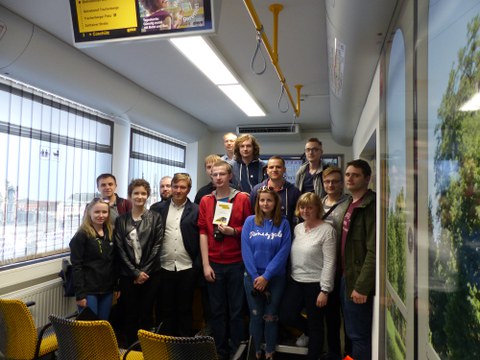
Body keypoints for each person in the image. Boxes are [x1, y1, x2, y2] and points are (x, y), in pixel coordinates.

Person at [198, 160, 251, 360]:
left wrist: (233, 231)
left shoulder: (242, 199)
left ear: (230, 176)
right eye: (214, 174)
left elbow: (249, 230)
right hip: (213, 265)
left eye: (222, 174)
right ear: (211, 177)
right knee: (217, 312)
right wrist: (205, 264)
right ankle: (219, 352)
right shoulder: (205, 201)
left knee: (236, 312)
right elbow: (203, 232)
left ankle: (237, 351)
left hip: (236, 263)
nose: (218, 178)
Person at [279, 192, 336, 360]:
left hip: (316, 284)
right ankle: (308, 332)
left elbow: (330, 262)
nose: (305, 210)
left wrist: (325, 290)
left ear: (317, 208)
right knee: (285, 315)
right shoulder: (298, 228)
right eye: (302, 207)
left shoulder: (327, 230)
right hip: (296, 281)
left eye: (310, 207)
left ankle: (314, 355)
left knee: (316, 324)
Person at [242, 187, 291, 360]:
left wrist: (267, 276)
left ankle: (270, 350)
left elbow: (284, 252)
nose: (265, 203)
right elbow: (246, 251)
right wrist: (256, 277)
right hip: (252, 278)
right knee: (255, 316)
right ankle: (254, 350)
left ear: (275, 202)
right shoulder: (249, 222)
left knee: (271, 316)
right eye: (262, 200)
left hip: (275, 278)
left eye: (269, 200)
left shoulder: (283, 224)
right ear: (257, 202)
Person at [114, 179, 163, 346]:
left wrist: (143, 272)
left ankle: (146, 349)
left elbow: (157, 246)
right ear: (129, 195)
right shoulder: (121, 220)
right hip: (128, 276)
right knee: (130, 314)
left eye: (143, 193)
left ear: (148, 195)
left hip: (151, 275)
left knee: (147, 313)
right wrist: (135, 273)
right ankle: (130, 349)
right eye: (136, 193)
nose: (139, 196)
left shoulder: (156, 217)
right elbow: (120, 249)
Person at [150, 173, 200, 336]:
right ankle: (164, 345)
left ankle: (182, 345)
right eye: (175, 186)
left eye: (183, 187)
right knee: (165, 309)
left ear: (189, 189)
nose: (178, 190)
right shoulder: (157, 209)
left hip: (187, 267)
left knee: (185, 309)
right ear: (171, 187)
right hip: (163, 266)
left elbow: (201, 239)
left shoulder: (196, 210)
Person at [340, 159, 376, 360]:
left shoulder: (370, 206)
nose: (350, 178)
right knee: (350, 332)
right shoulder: (350, 202)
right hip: (346, 278)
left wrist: (362, 286)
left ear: (367, 179)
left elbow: (374, 251)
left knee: (359, 335)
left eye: (355, 175)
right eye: (348, 174)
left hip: (358, 282)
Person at [69, 198, 116, 320]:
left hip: (107, 289)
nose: (101, 215)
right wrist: (80, 295)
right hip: (88, 290)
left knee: (103, 324)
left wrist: (116, 286)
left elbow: (113, 261)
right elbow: (76, 266)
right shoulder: (81, 235)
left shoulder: (110, 233)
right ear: (89, 213)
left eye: (104, 212)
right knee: (89, 328)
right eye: (97, 212)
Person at [321, 166, 351, 359]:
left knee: (348, 319)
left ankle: (349, 355)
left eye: (335, 181)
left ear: (341, 183)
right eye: (327, 181)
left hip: (344, 268)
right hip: (324, 268)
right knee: (331, 318)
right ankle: (333, 353)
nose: (331, 185)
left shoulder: (349, 203)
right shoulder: (319, 202)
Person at [250, 156, 301, 232]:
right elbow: (252, 213)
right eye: (271, 167)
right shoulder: (257, 190)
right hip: (261, 234)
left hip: (286, 234)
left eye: (278, 167)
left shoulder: (294, 192)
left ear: (284, 170)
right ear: (267, 170)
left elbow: (299, 216)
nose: (274, 170)